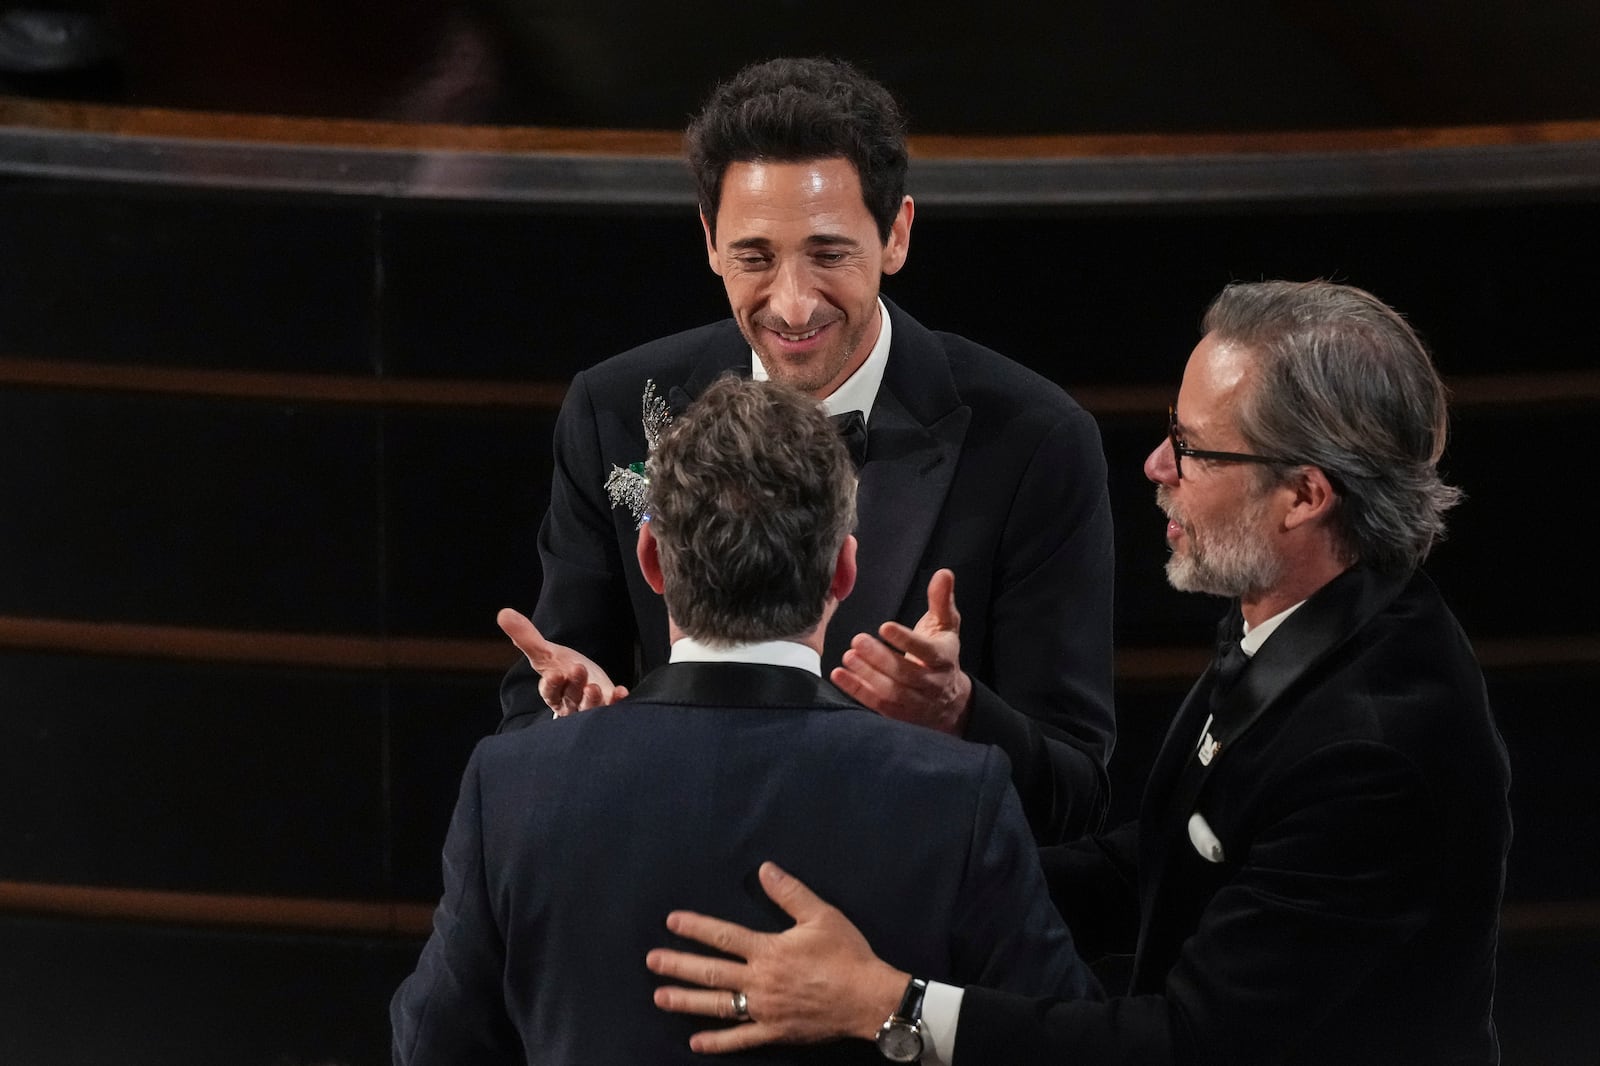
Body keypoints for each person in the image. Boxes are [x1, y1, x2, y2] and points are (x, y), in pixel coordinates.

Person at [646, 280, 1514, 1065]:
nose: (1157, 466)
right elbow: (1159, 866)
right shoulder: (1301, 620)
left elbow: (1189, 1044)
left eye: (1195, 448)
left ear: (1304, 496)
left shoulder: (1375, 749)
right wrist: (905, 867)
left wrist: (885, 1004)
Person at [496, 55, 1116, 843]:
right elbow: (537, 706)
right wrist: (572, 732)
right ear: (710, 243)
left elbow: (1079, 794)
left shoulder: (1035, 441)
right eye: (755, 257)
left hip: (902, 923)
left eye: (828, 255)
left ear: (896, 235)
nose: (791, 305)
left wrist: (959, 714)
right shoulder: (614, 410)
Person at [392, 376, 1099, 1063]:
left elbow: (430, 1047)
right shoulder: (957, 794)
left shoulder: (514, 786)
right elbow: (1064, 1038)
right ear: (844, 571)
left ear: (652, 562)